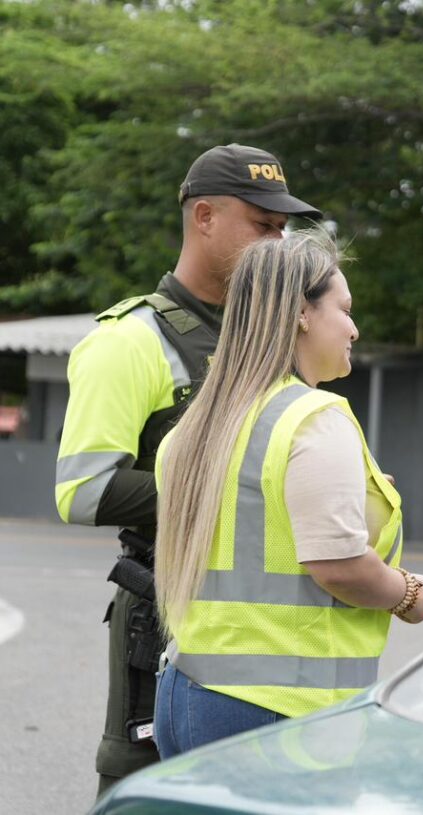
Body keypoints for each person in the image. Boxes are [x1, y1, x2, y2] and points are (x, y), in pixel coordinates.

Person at [54, 143, 322, 796]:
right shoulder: (130, 340)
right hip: (164, 617)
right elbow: (84, 492)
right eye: (262, 225)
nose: (277, 242)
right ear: (205, 217)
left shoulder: (271, 339)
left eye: (283, 229)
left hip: (263, 628)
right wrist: (236, 491)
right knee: (147, 795)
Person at [152, 229, 423, 758]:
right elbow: (340, 568)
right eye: (344, 310)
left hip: (186, 693)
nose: (354, 328)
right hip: (278, 709)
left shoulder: (197, 426)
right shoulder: (313, 418)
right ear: (302, 313)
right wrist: (409, 593)